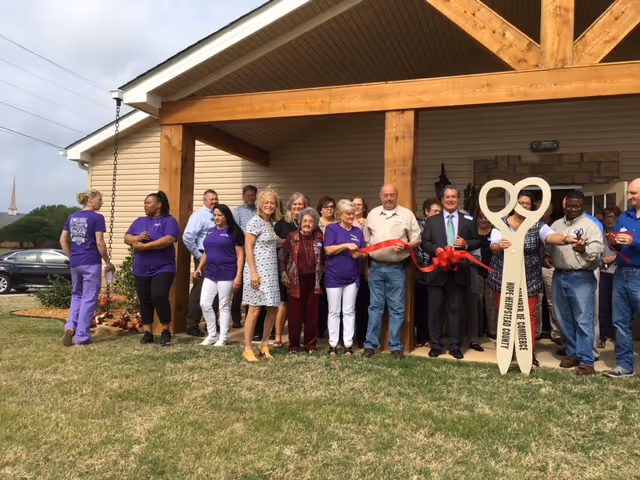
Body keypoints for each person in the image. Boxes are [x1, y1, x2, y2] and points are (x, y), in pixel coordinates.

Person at [489, 191, 578, 367]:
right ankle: (508, 350)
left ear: (532, 207)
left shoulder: (538, 225)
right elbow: (493, 245)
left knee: (528, 315)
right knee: (507, 314)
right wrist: (500, 245)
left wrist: (567, 239)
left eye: (527, 204)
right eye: (520, 203)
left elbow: (551, 236)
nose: (524, 206)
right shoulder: (501, 224)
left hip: (528, 277)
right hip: (503, 276)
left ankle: (527, 352)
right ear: (514, 205)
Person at [546, 191, 603, 375]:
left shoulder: (591, 224)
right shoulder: (556, 224)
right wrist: (546, 256)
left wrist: (584, 249)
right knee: (563, 317)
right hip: (559, 275)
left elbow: (597, 250)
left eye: (577, 206)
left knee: (584, 320)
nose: (573, 208)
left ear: (582, 205)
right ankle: (572, 353)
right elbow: (548, 244)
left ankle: (586, 360)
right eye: (570, 205)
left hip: (581, 277)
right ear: (565, 204)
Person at [421, 185, 481, 360]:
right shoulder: (432, 221)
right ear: (442, 199)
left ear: (458, 199)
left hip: (458, 272)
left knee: (456, 310)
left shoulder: (468, 220)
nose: (450, 200)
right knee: (435, 310)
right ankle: (436, 345)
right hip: (437, 272)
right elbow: (425, 243)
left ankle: (455, 346)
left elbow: (478, 240)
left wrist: (466, 245)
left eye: (454, 197)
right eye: (447, 197)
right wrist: (437, 250)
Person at [363, 184, 421, 359]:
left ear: (397, 196)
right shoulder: (372, 214)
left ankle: (396, 346)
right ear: (380, 196)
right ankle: (370, 346)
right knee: (375, 307)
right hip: (376, 267)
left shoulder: (406, 214)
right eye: (385, 195)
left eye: (392, 195)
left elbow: (416, 239)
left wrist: (405, 245)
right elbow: (367, 242)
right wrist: (366, 267)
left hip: (397, 268)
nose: (389, 198)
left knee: (397, 309)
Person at [60, 189, 114, 346]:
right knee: (89, 298)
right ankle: (81, 336)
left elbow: (63, 241)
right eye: (99, 199)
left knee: (76, 295)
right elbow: (100, 243)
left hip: (76, 263)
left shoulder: (71, 217)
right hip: (91, 262)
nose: (101, 202)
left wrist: (72, 257)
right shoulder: (97, 218)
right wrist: (108, 262)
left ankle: (70, 326)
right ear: (90, 200)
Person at [125, 191, 180, 346]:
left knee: (159, 295)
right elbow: (126, 237)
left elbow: (169, 239)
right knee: (144, 300)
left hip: (164, 267)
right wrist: (137, 238)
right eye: (145, 203)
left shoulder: (169, 221)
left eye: (148, 203)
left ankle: (165, 331)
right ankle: (148, 332)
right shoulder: (139, 221)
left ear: (158, 205)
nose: (145, 205)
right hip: (141, 268)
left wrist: (146, 246)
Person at [193, 205, 245, 347]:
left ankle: (223, 337)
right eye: (215, 215)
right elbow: (206, 252)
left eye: (220, 215)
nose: (217, 218)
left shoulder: (234, 232)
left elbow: (241, 255)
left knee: (223, 306)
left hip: (227, 273)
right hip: (210, 273)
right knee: (204, 303)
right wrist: (199, 267)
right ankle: (212, 334)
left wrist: (238, 275)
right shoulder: (210, 232)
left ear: (226, 216)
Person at [604, 179, 640, 378]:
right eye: (629, 193)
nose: (629, 197)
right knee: (620, 321)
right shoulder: (624, 216)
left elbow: (632, 242)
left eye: (633, 193)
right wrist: (613, 242)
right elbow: (618, 245)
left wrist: (634, 241)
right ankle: (625, 366)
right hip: (621, 272)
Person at [242, 187, 282, 362]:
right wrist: (253, 272)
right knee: (255, 309)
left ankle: (264, 344)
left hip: (271, 272)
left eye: (272, 203)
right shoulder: (254, 222)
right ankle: (248, 348)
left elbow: (277, 242)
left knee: (273, 309)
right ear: (260, 204)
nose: (269, 205)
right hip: (257, 271)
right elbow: (248, 248)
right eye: (266, 202)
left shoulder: (271, 224)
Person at [279, 208, 325, 354]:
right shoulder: (292, 237)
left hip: (314, 281)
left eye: (311, 221)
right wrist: (283, 273)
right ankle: (293, 346)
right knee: (295, 315)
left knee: (312, 315)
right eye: (304, 221)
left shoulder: (319, 238)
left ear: (315, 224)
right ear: (300, 222)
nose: (307, 224)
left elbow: (325, 258)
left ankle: (310, 345)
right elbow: (282, 255)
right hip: (295, 281)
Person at [325, 200, 366, 356]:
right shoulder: (332, 229)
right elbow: (328, 250)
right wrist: (346, 245)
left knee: (349, 311)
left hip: (352, 277)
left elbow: (362, 252)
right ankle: (333, 344)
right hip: (333, 277)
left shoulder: (358, 231)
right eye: (347, 213)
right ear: (340, 215)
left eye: (352, 213)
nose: (351, 216)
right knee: (334, 311)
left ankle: (348, 344)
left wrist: (359, 254)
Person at [272, 192, 308, 348]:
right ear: (290, 206)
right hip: (284, 270)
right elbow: (273, 242)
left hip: (305, 270)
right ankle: (278, 337)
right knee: (283, 303)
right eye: (295, 204)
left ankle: (299, 336)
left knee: (302, 304)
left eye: (301, 204)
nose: (298, 207)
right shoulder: (281, 224)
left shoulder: (309, 222)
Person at [182, 189, 219, 337]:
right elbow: (187, 236)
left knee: (216, 291)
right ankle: (192, 324)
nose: (214, 201)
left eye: (216, 199)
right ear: (204, 201)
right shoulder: (199, 216)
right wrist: (199, 255)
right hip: (203, 258)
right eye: (211, 199)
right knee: (199, 291)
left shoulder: (219, 215)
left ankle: (212, 324)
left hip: (218, 258)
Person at [415, 199, 442, 347]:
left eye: (439, 211)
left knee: (434, 306)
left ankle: (433, 337)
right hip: (420, 271)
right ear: (426, 212)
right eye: (434, 211)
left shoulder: (443, 226)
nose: (437, 214)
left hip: (437, 272)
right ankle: (422, 337)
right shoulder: (418, 226)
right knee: (421, 305)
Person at [231, 185, 258, 328]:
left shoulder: (259, 212)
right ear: (243, 196)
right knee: (239, 286)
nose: (250, 198)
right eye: (248, 195)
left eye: (253, 195)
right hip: (242, 249)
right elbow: (234, 231)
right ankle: (236, 318)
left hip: (257, 252)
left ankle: (250, 317)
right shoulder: (238, 212)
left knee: (253, 285)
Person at [598, 207, 620, 349]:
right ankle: (602, 336)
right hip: (603, 273)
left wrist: (615, 257)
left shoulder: (622, 235)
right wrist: (602, 260)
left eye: (612, 216)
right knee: (603, 306)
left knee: (618, 306)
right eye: (607, 217)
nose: (609, 219)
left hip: (619, 273)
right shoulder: (599, 234)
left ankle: (616, 335)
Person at [316, 195, 336, 338]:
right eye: (326, 207)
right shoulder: (315, 223)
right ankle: (318, 329)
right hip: (316, 265)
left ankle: (331, 330)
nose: (330, 209)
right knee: (318, 299)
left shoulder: (337, 224)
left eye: (332, 207)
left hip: (332, 264)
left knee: (330, 300)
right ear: (320, 209)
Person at [475, 208, 497, 339]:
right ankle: (478, 330)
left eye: (486, 217)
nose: (483, 219)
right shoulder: (472, 233)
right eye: (480, 217)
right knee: (477, 302)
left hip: (492, 271)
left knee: (491, 302)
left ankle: (493, 330)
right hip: (476, 271)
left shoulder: (495, 233)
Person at [352, 195, 370, 348]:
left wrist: (367, 269)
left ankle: (362, 338)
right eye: (354, 204)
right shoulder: (344, 223)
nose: (357, 207)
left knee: (362, 306)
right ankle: (347, 337)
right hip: (348, 270)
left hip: (364, 269)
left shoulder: (369, 223)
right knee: (348, 306)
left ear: (364, 208)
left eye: (359, 205)